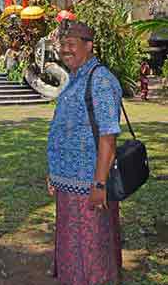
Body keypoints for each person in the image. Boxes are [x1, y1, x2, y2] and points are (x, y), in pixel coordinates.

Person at [47, 21, 122, 285]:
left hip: (89, 184)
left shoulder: (100, 80)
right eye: (62, 45)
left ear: (89, 46)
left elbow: (108, 137)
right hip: (67, 183)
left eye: (72, 44)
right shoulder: (74, 79)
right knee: (72, 244)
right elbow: (64, 130)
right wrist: (54, 173)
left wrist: (100, 183)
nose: (66, 50)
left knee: (92, 247)